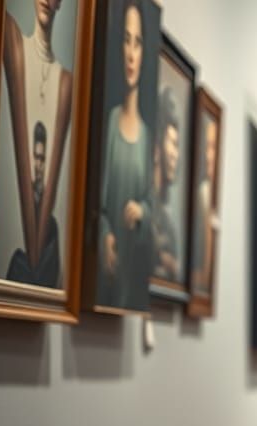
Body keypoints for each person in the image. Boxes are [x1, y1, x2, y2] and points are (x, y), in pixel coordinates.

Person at [0, 0, 73, 288]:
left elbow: (50, 190)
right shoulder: (13, 41)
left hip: (40, 271)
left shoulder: (66, 83)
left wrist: (34, 270)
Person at [97, 0, 151, 309]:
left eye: (139, 43)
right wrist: (105, 235)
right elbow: (99, 205)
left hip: (132, 287)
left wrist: (142, 211)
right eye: (126, 41)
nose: (131, 54)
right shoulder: (109, 124)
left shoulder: (146, 138)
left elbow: (151, 207)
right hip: (106, 280)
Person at [6, 121, 59, 285]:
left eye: (42, 159)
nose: (38, 166)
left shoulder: (48, 219)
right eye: (36, 158)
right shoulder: (24, 197)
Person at [151, 86, 181, 282]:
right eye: (171, 142)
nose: (174, 154)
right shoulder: (145, 208)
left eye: (177, 145)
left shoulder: (168, 224)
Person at [192, 116, 218, 294]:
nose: (209, 156)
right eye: (207, 147)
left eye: (214, 148)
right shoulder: (202, 194)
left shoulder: (209, 195)